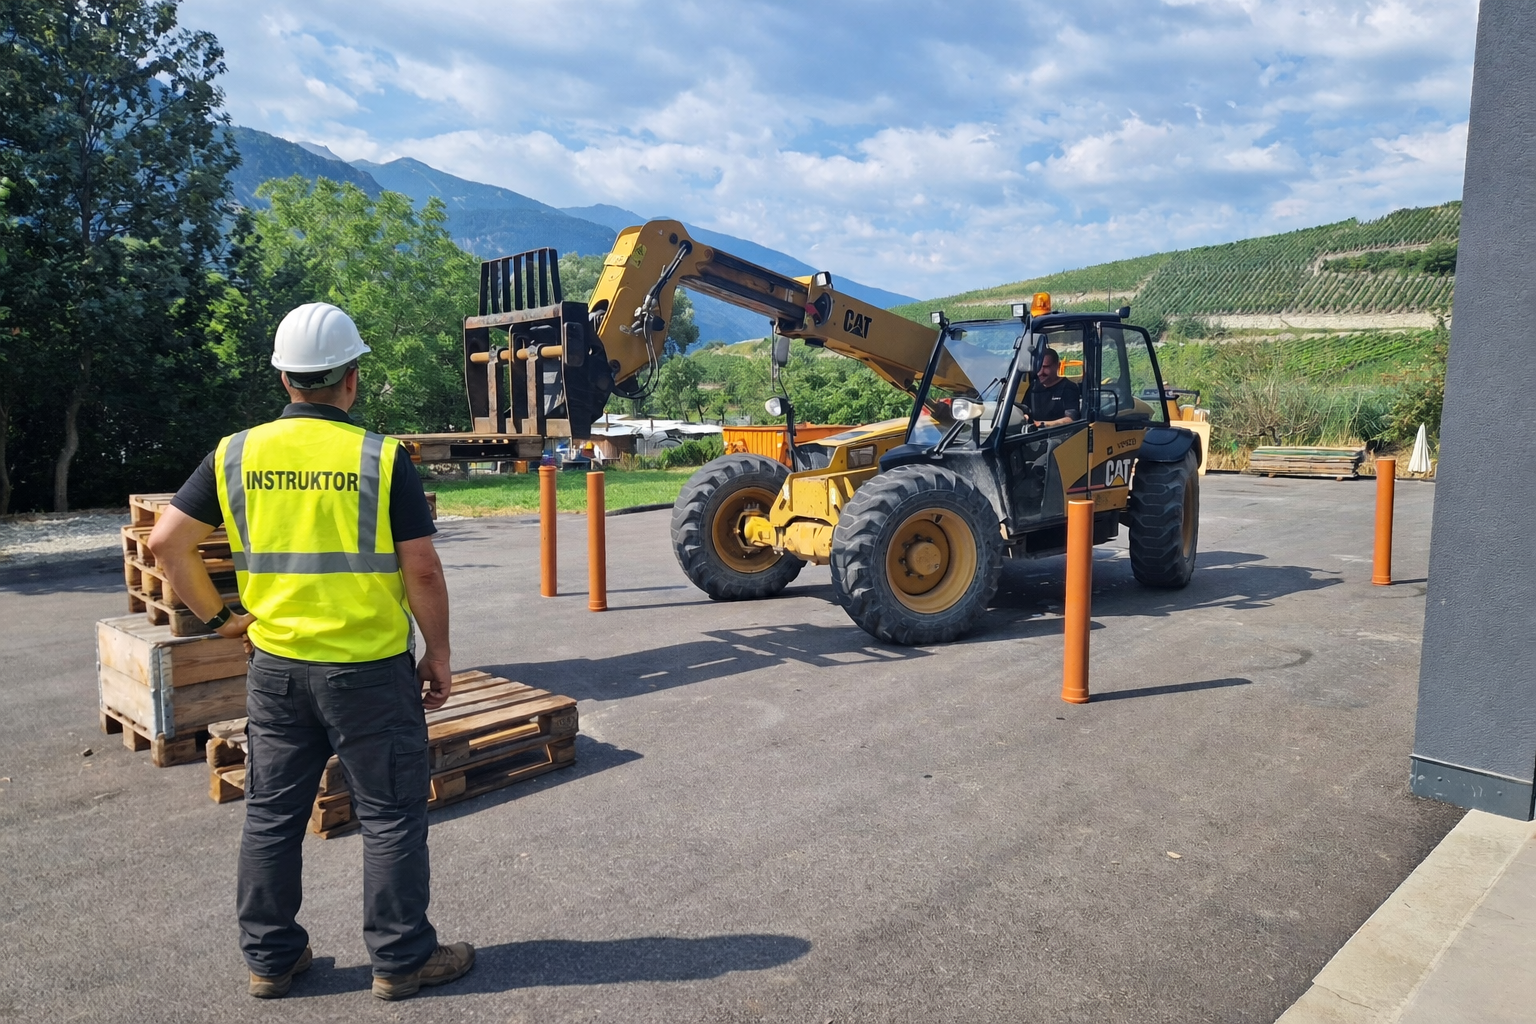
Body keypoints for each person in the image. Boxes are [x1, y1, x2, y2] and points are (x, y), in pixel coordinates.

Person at [147, 302, 475, 1002]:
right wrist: (439, 652)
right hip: (368, 672)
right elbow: (421, 569)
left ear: (285, 379)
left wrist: (221, 619)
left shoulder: (235, 453)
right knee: (389, 816)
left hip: (276, 670)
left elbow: (166, 543)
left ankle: (270, 959)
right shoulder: (380, 458)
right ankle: (401, 959)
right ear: (351, 378)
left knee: (271, 816)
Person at [1023, 348, 1082, 428]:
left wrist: (1042, 424)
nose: (1040, 372)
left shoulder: (1069, 388)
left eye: (1045, 367)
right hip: (1034, 432)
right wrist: (1025, 418)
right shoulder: (1034, 387)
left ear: (1058, 366)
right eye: (1038, 367)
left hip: (1059, 433)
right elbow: (1024, 410)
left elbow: (1071, 419)